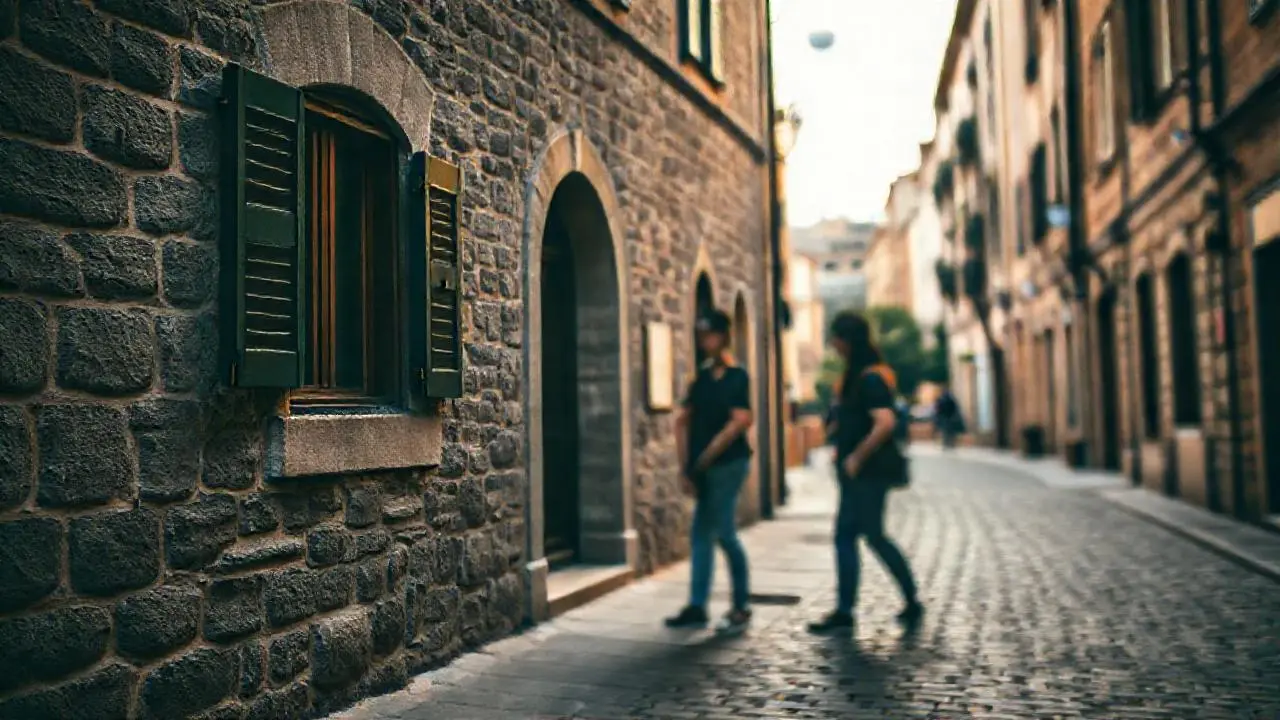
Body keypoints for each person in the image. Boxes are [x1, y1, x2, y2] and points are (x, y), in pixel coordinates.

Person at [808, 311, 923, 635]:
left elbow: (884, 422)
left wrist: (857, 457)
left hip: (868, 473)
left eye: (836, 338)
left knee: (865, 535)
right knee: (857, 535)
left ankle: (867, 607)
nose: (833, 344)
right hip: (856, 473)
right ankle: (877, 605)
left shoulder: (871, 378)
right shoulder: (856, 376)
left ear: (848, 340)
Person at [665, 309, 755, 635]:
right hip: (704, 467)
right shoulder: (702, 378)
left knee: (724, 534)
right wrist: (686, 466)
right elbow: (681, 420)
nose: (705, 341)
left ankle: (741, 606)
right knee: (701, 534)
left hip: (729, 464)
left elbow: (741, 420)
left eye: (710, 334)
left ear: (724, 336)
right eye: (701, 335)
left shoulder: (737, 376)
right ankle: (697, 606)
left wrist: (708, 455)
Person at [934, 384, 961, 448]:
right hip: (948, 417)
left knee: (946, 431)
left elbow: (938, 409)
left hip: (945, 417)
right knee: (949, 431)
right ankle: (949, 443)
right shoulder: (949, 399)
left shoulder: (942, 399)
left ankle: (947, 443)